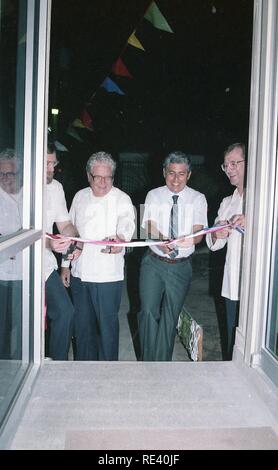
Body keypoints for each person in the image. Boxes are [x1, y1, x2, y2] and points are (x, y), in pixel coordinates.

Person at [60, 151, 135, 361]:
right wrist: (65, 265)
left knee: (107, 329)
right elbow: (70, 230)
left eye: (108, 177)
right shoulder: (80, 196)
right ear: (88, 176)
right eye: (98, 177)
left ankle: (108, 373)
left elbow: (128, 221)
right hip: (80, 274)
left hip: (107, 276)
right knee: (83, 329)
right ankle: (85, 370)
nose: (103, 182)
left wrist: (121, 238)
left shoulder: (122, 198)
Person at [138, 151, 208, 361]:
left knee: (170, 316)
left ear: (189, 175)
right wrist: (162, 239)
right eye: (171, 173)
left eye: (181, 174)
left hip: (181, 266)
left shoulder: (198, 198)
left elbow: (199, 231)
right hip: (154, 262)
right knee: (148, 312)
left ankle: (161, 366)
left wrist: (188, 239)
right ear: (164, 173)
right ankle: (148, 362)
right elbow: (146, 225)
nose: (176, 179)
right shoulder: (153, 195)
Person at [206, 142, 246, 360]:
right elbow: (214, 243)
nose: (229, 169)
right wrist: (215, 234)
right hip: (232, 284)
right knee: (232, 338)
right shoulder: (227, 202)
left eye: (234, 163)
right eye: (225, 165)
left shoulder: (266, 199)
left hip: (257, 287)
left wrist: (252, 223)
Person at [45, 142, 80, 360]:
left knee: (66, 312)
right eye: (46, 164)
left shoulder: (55, 187)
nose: (52, 169)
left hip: (44, 266)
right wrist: (49, 243)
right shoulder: (16, 185)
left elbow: (65, 224)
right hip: (13, 269)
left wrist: (73, 239)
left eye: (53, 163)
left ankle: (57, 365)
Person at [0, 148, 23, 359]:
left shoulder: (31, 195)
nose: (6, 178)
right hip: (3, 274)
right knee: (3, 326)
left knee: (25, 326)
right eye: (2, 174)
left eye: (11, 173)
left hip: (27, 272)